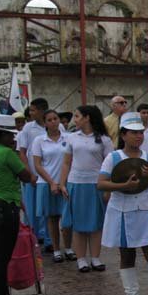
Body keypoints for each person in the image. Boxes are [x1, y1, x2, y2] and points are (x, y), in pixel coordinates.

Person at [97, 112, 148, 295]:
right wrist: (123, 185)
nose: (138, 136)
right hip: (123, 211)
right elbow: (101, 183)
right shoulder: (113, 157)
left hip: (146, 209)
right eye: (133, 133)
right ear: (123, 135)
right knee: (127, 254)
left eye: (140, 133)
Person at [59, 105, 113, 272]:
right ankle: (81, 259)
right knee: (78, 224)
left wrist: (108, 188)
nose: (74, 120)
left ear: (87, 117)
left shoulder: (104, 139)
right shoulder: (72, 137)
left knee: (96, 223)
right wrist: (62, 183)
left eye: (77, 116)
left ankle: (95, 258)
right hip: (76, 183)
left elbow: (110, 164)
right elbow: (66, 162)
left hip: (96, 184)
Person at [0, 115, 34, 295]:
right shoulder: (7, 154)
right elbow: (26, 176)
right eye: (10, 136)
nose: (13, 139)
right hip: (5, 206)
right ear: (1, 135)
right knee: (2, 257)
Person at [30, 109, 74, 263]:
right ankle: (56, 250)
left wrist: (62, 182)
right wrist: (51, 183)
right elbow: (37, 165)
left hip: (66, 182)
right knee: (52, 218)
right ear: (45, 123)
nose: (54, 122)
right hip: (46, 183)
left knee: (67, 217)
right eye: (49, 120)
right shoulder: (39, 140)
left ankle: (68, 248)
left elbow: (71, 161)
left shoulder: (68, 138)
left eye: (56, 118)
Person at [17, 97, 50, 249]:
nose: (30, 113)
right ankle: (32, 238)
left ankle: (48, 239)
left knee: (48, 210)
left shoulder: (54, 126)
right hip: (33, 176)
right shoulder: (28, 128)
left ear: (42, 110)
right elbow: (22, 152)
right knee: (31, 209)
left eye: (33, 110)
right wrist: (30, 173)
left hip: (50, 177)